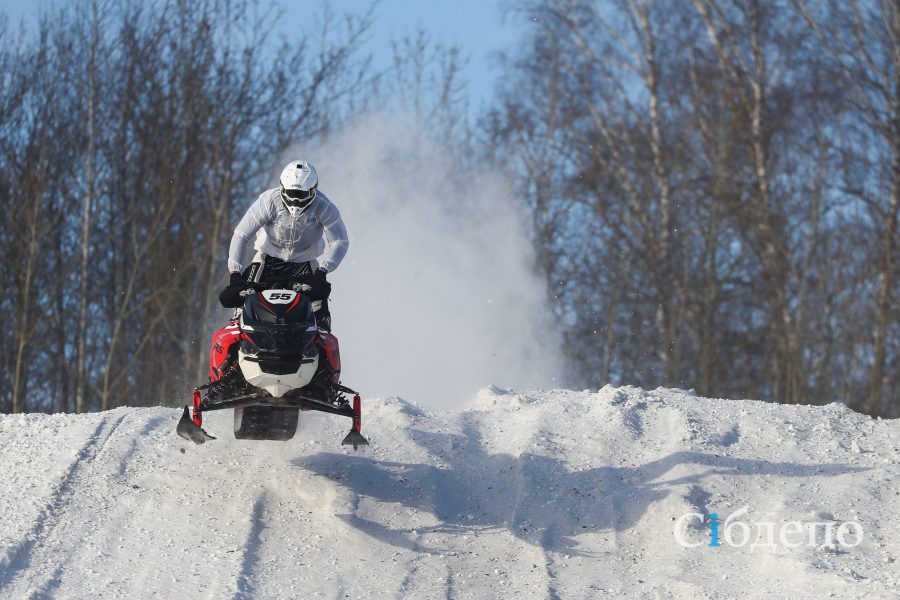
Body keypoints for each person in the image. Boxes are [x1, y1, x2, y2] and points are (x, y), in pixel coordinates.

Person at [219, 160, 348, 331]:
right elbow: (242, 234)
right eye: (291, 193)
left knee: (321, 323)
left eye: (300, 195)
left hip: (305, 267)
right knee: (239, 315)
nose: (295, 200)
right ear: (282, 188)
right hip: (266, 262)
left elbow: (340, 241)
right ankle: (231, 355)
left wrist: (323, 270)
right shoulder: (268, 201)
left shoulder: (324, 207)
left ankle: (321, 355)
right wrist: (235, 273)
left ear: (313, 191)